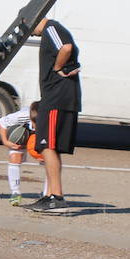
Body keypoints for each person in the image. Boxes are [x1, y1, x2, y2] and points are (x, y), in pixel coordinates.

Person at [26, 18, 80, 212]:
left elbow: (66, 48)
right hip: (59, 97)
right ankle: (50, 195)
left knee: (46, 145)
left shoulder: (51, 28)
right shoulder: (53, 30)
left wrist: (57, 68)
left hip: (56, 98)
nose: (31, 34)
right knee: (51, 148)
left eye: (29, 29)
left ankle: (56, 198)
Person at [0, 101, 43, 206]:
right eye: (35, 124)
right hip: (23, 131)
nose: (36, 126)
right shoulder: (21, 117)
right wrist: (6, 142)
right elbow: (2, 122)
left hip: (41, 135)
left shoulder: (49, 118)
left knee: (47, 160)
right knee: (15, 155)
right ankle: (15, 192)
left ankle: (47, 193)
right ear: (31, 119)